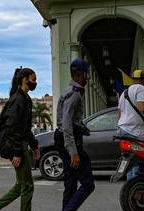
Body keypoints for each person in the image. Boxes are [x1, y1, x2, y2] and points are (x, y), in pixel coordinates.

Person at [0, 67, 40, 211]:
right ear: (24, 80)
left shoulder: (25, 99)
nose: (35, 82)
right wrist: (17, 152)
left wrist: (35, 145)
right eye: (33, 79)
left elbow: (25, 128)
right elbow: (11, 128)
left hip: (22, 144)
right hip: (18, 146)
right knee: (27, 186)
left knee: (21, 185)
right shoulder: (17, 100)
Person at [55, 59, 95, 211]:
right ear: (82, 74)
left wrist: (82, 128)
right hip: (69, 141)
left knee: (70, 183)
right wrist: (73, 152)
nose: (88, 78)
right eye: (87, 74)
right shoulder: (75, 94)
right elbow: (66, 124)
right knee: (87, 183)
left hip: (62, 138)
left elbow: (70, 120)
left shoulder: (69, 90)